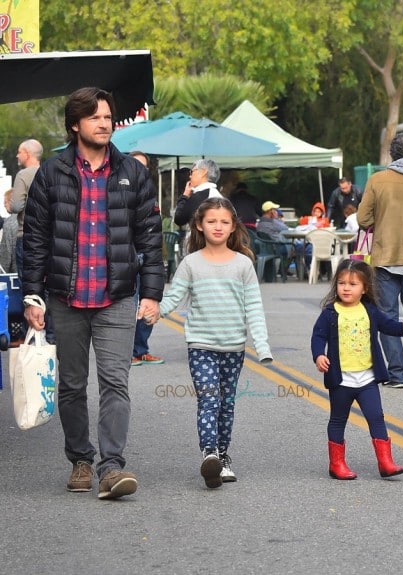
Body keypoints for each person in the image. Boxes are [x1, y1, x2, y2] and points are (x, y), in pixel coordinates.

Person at [23, 87, 164, 500]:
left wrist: (151, 293)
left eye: (108, 117)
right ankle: (81, 460)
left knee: (115, 382)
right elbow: (35, 239)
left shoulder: (133, 173)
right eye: (95, 117)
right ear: (75, 124)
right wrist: (33, 295)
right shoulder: (52, 172)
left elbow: (150, 238)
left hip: (117, 295)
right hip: (65, 297)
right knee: (70, 385)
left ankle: (111, 467)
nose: (104, 123)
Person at [157, 197, 272, 488]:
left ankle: (222, 456)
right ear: (199, 225)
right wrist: (152, 311)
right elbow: (173, 297)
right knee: (209, 399)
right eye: (211, 221)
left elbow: (254, 308)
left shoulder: (243, 264)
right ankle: (210, 453)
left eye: (224, 222)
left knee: (227, 404)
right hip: (201, 346)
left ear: (233, 227)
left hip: (233, 348)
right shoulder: (191, 263)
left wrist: (262, 345)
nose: (217, 227)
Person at [311, 259, 403, 480]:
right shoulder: (330, 313)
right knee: (338, 419)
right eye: (341, 283)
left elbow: (389, 327)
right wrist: (319, 355)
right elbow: (318, 336)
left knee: (376, 417)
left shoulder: (370, 311)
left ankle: (386, 462)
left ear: (364, 288)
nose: (346, 288)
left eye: (353, 284)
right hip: (341, 380)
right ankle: (336, 464)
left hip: (367, 378)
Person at [357, 132, 403, 389]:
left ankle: (395, 373)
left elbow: (363, 219)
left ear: (391, 155)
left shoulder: (377, 180)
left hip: (385, 257)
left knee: (387, 315)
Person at [129, 151, 164, 366]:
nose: (139, 170)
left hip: (147, 255)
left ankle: (141, 349)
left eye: (143, 166)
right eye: (135, 165)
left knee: (148, 302)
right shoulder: (117, 189)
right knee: (130, 306)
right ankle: (128, 352)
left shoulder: (149, 193)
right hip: (126, 257)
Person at [9, 138, 43, 279]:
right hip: (48, 236)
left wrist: (10, 206)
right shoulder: (50, 172)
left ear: (27, 154)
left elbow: (16, 206)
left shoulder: (23, 175)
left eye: (19, 152)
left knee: (28, 286)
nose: (17, 155)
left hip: (27, 235)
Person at [173, 159, 222, 228]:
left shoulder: (200, 196)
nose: (190, 176)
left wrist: (185, 195)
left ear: (203, 172)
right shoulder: (218, 195)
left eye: (192, 172)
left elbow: (179, 219)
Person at [0, 189, 18, 273]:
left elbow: (6, 254)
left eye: (5, 202)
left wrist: (2, 273)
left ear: (12, 202)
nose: (4, 205)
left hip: (15, 273)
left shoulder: (9, 223)